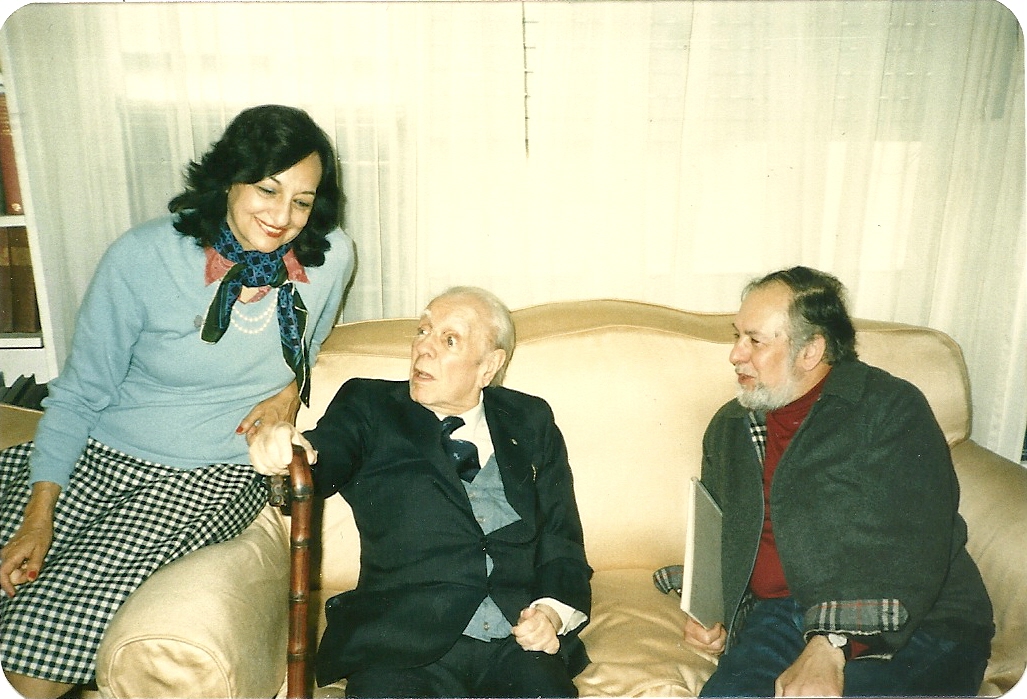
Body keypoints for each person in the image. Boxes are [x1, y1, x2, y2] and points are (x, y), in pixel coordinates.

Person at [0, 104, 355, 698]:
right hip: (96, 456)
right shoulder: (144, 256)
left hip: (203, 478)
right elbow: (80, 393)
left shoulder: (330, 255)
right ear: (229, 179)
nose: (283, 217)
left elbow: (309, 343)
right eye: (267, 190)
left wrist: (287, 396)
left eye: (302, 200)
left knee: (33, 656)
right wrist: (40, 517)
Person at [249, 286, 592, 698]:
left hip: (516, 645)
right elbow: (323, 457)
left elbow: (561, 537)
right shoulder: (370, 405)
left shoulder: (530, 418)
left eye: (449, 340)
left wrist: (550, 614)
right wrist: (291, 452)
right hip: (400, 647)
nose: (423, 348)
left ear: (489, 366)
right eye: (422, 331)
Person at [677, 266, 993, 697]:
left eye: (754, 340)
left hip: (915, 620)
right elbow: (717, 534)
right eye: (737, 336)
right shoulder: (731, 426)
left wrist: (833, 640)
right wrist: (708, 610)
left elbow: (913, 550)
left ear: (811, 351)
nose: (735, 354)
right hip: (780, 616)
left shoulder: (889, 409)